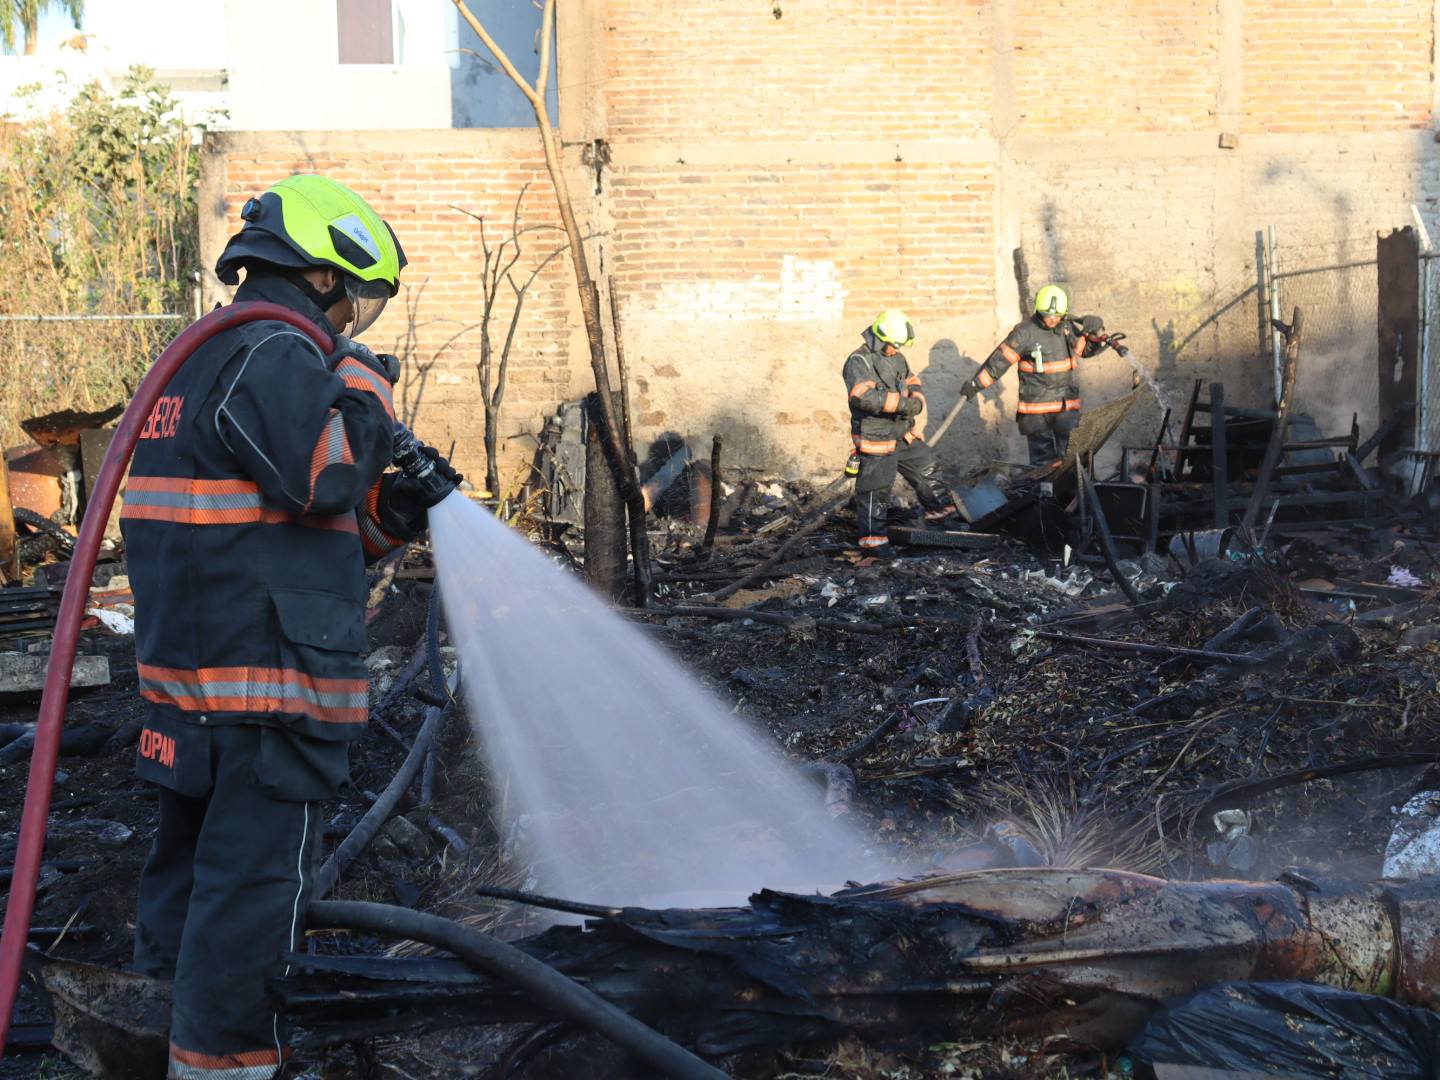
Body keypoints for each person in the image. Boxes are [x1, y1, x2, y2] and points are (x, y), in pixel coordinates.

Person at [121, 174, 459, 1080]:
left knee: (188, 881)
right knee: (251, 899)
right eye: (359, 298)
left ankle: (149, 1042)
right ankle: (220, 1069)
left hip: (197, 686)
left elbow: (310, 532)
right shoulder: (275, 353)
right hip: (263, 694)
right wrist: (367, 392)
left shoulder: (198, 359)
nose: (357, 322)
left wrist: (400, 510)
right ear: (321, 274)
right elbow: (322, 480)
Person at [961, 284, 1119, 467]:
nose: (1052, 320)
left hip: (1065, 406)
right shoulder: (1024, 333)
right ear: (1038, 309)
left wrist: (1092, 332)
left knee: (1072, 457)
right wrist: (975, 385)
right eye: (1047, 315)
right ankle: (1043, 493)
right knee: (1043, 462)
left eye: (1056, 316)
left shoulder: (1066, 328)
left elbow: (1085, 350)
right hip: (1035, 410)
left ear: (1064, 313)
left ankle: (1073, 494)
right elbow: (998, 362)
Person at [843, 309, 956, 553]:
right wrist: (905, 404)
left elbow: (913, 382)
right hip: (876, 437)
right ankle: (874, 544)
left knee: (927, 468)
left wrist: (917, 399)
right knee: (876, 489)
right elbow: (864, 398)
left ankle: (942, 523)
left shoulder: (898, 358)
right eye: (894, 344)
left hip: (901, 433)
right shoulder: (859, 361)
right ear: (880, 338)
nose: (896, 349)